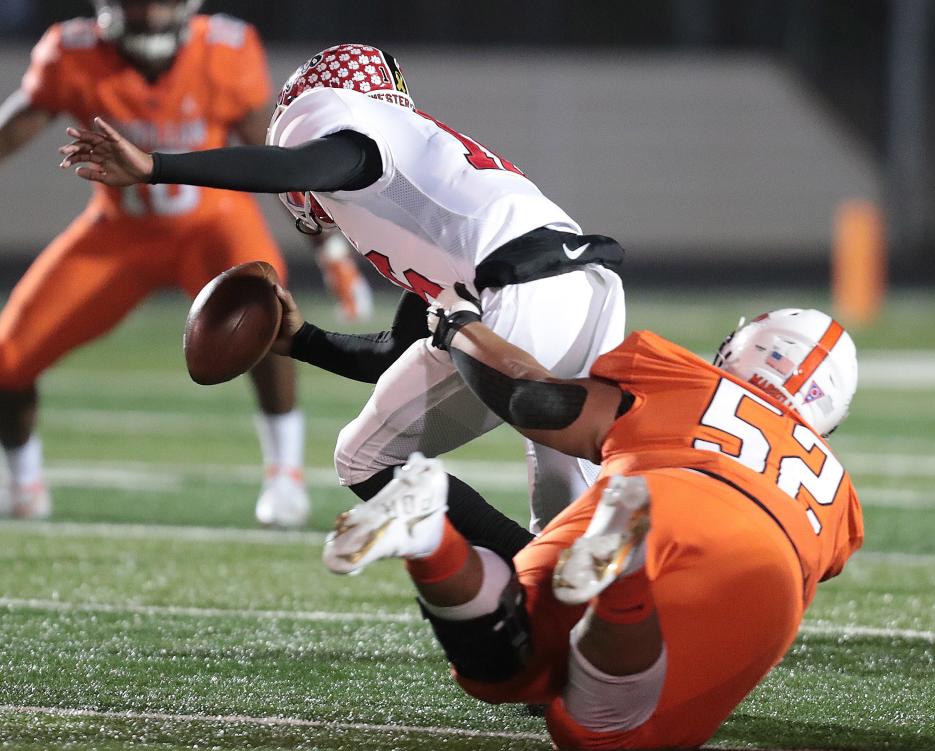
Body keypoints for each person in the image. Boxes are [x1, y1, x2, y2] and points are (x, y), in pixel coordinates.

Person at [58, 42, 628, 559]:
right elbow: (398, 352)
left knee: (363, 457)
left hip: (518, 295)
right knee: (567, 507)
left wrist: (158, 167)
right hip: (588, 291)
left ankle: (526, 563)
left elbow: (309, 164)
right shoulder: (429, 180)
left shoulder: (346, 123)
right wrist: (302, 341)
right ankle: (602, 596)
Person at [321, 293, 864, 750]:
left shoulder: (686, 380)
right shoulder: (840, 496)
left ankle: (430, 536)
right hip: (756, 553)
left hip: (650, 493)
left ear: (736, 350)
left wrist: (461, 329)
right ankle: (623, 578)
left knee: (505, 666)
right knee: (598, 733)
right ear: (830, 411)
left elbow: (533, 400)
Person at [0, 0, 319, 525]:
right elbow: (18, 123)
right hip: (119, 233)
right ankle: (23, 484)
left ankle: (286, 474)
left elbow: (271, 152)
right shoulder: (73, 51)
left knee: (267, 314)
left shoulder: (225, 49)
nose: (150, 15)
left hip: (212, 224)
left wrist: (326, 243)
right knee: (10, 358)